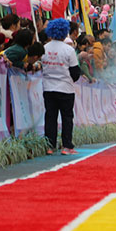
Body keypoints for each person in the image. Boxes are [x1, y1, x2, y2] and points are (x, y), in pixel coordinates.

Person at [41, 18, 81, 155]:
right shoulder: (69, 50)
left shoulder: (44, 48)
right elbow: (75, 72)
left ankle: (49, 146)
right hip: (65, 88)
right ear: (65, 32)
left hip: (48, 88)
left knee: (50, 117)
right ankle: (67, 146)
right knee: (67, 117)